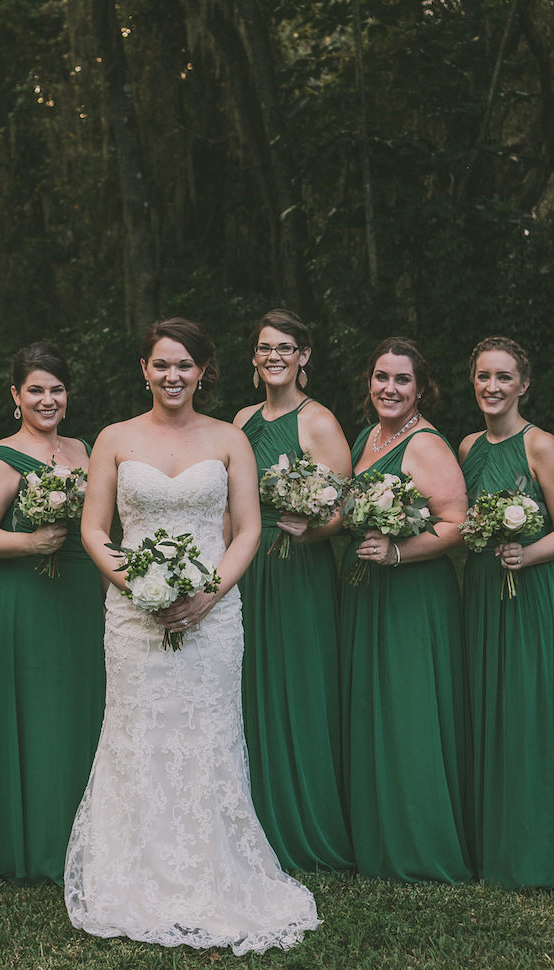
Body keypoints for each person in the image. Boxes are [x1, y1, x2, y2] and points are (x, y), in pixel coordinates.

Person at [65, 318, 320, 954]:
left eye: (185, 365)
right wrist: (137, 587)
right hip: (133, 618)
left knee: (206, 733)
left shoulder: (231, 438)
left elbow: (248, 531)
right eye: (161, 365)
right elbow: (95, 529)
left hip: (215, 613)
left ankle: (212, 874)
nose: (173, 376)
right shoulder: (115, 439)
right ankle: (132, 876)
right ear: (144, 371)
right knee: (139, 730)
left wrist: (208, 595)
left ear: (203, 372)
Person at [0, 341, 105, 884]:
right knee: (35, 710)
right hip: (24, 596)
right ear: (16, 396)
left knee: (80, 703)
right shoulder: (0, 458)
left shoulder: (86, 450)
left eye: (57, 390)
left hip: (77, 593)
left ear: (67, 397)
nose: (47, 400)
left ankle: (86, 834)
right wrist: (30, 544)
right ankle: (35, 841)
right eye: (36, 391)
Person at [339, 337, 472, 883]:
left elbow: (457, 522)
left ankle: (419, 840)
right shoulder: (367, 436)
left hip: (412, 595)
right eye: (380, 377)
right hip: (365, 589)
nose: (388, 388)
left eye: (401, 380)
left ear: (421, 389)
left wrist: (398, 551)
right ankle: (373, 828)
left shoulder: (425, 445)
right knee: (373, 703)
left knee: (408, 706)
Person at [232, 308, 354, 871]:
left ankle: (309, 821)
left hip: (300, 572)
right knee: (250, 683)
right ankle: (253, 818)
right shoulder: (240, 419)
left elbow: (344, 509)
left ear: (304, 356)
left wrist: (313, 530)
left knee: (300, 685)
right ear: (254, 360)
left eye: (286, 347)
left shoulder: (320, 422)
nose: (274, 356)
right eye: (265, 348)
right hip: (251, 571)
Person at [459, 336, 554, 889]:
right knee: (488, 706)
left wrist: (526, 553)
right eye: (484, 376)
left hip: (531, 593)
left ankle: (531, 846)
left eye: (504, 377)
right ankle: (489, 837)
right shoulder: (466, 448)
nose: (492, 387)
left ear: (523, 385)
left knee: (527, 712)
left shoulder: (542, 447)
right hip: (483, 592)